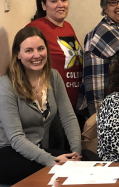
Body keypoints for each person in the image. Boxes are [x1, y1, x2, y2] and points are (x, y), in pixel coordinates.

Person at [0, 27, 82, 185]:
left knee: (88, 159)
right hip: (7, 152)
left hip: (39, 150)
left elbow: (68, 117)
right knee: (56, 172)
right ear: (18, 54)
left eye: (40, 48)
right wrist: (52, 160)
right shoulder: (6, 85)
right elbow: (16, 138)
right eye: (29, 50)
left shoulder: (53, 76)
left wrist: (76, 153)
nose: (36, 55)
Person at [26, 0, 83, 110]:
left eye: (63, 0)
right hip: (53, 103)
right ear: (44, 5)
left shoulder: (68, 27)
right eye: (54, 1)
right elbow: (26, 64)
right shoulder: (36, 28)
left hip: (74, 101)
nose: (60, 4)